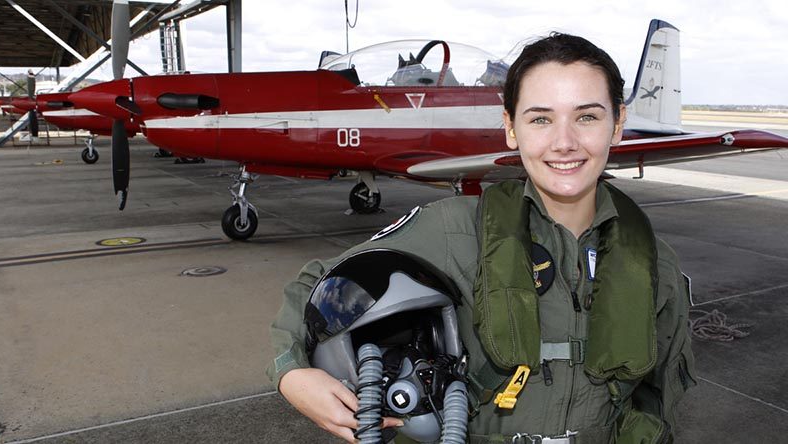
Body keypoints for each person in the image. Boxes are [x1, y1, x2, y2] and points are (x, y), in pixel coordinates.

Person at [268, 32, 696, 443]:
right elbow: (323, 281)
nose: (564, 142)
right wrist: (292, 373)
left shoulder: (655, 262)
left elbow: (660, 399)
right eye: (541, 118)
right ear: (511, 127)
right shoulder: (455, 229)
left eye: (586, 116)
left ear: (617, 124)